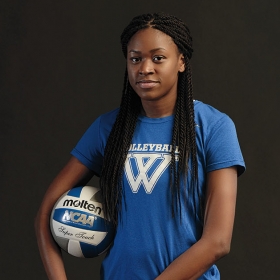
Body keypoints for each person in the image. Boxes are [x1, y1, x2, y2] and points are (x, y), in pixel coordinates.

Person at [35, 12, 245, 280]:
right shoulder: (109, 128)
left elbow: (218, 241)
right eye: (136, 58)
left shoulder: (213, 126)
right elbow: (46, 212)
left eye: (158, 58)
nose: (145, 68)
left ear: (181, 61)